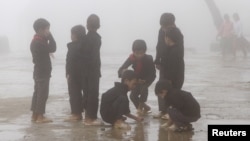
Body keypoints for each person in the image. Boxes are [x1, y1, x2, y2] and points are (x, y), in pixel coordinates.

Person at [154, 13, 184, 119]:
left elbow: (179, 53)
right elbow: (159, 45)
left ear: (172, 24)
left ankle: (172, 111)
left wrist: (172, 72)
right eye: (162, 26)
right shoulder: (161, 31)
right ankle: (163, 111)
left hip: (176, 66)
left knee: (174, 88)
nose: (164, 29)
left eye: (166, 26)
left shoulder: (177, 34)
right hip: (164, 64)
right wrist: (157, 60)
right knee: (161, 86)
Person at [118, 40, 156, 114]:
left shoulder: (149, 59)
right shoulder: (131, 58)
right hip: (137, 79)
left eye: (141, 53)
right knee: (132, 96)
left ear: (145, 51)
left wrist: (146, 80)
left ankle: (139, 108)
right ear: (133, 52)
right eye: (137, 53)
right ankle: (146, 108)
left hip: (147, 78)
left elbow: (153, 74)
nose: (139, 55)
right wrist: (123, 72)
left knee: (143, 90)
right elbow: (121, 69)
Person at [30, 18, 56, 123]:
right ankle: (40, 116)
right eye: (47, 29)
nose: (48, 31)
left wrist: (48, 37)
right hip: (42, 72)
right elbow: (53, 48)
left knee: (37, 93)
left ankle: (35, 115)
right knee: (42, 94)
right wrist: (50, 36)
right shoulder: (39, 42)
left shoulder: (36, 41)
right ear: (40, 30)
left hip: (38, 71)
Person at [80, 14, 102, 125]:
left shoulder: (84, 38)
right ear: (98, 25)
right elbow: (94, 57)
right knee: (93, 94)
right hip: (92, 70)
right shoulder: (97, 38)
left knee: (86, 93)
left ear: (87, 25)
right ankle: (91, 118)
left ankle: (86, 116)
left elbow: (82, 55)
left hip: (84, 70)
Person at [65, 25, 86, 121]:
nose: (70, 36)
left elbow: (69, 61)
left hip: (74, 74)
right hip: (84, 73)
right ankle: (87, 114)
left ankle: (76, 114)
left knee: (74, 94)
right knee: (86, 94)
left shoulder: (73, 47)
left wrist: (68, 73)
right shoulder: (86, 46)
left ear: (75, 35)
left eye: (71, 34)